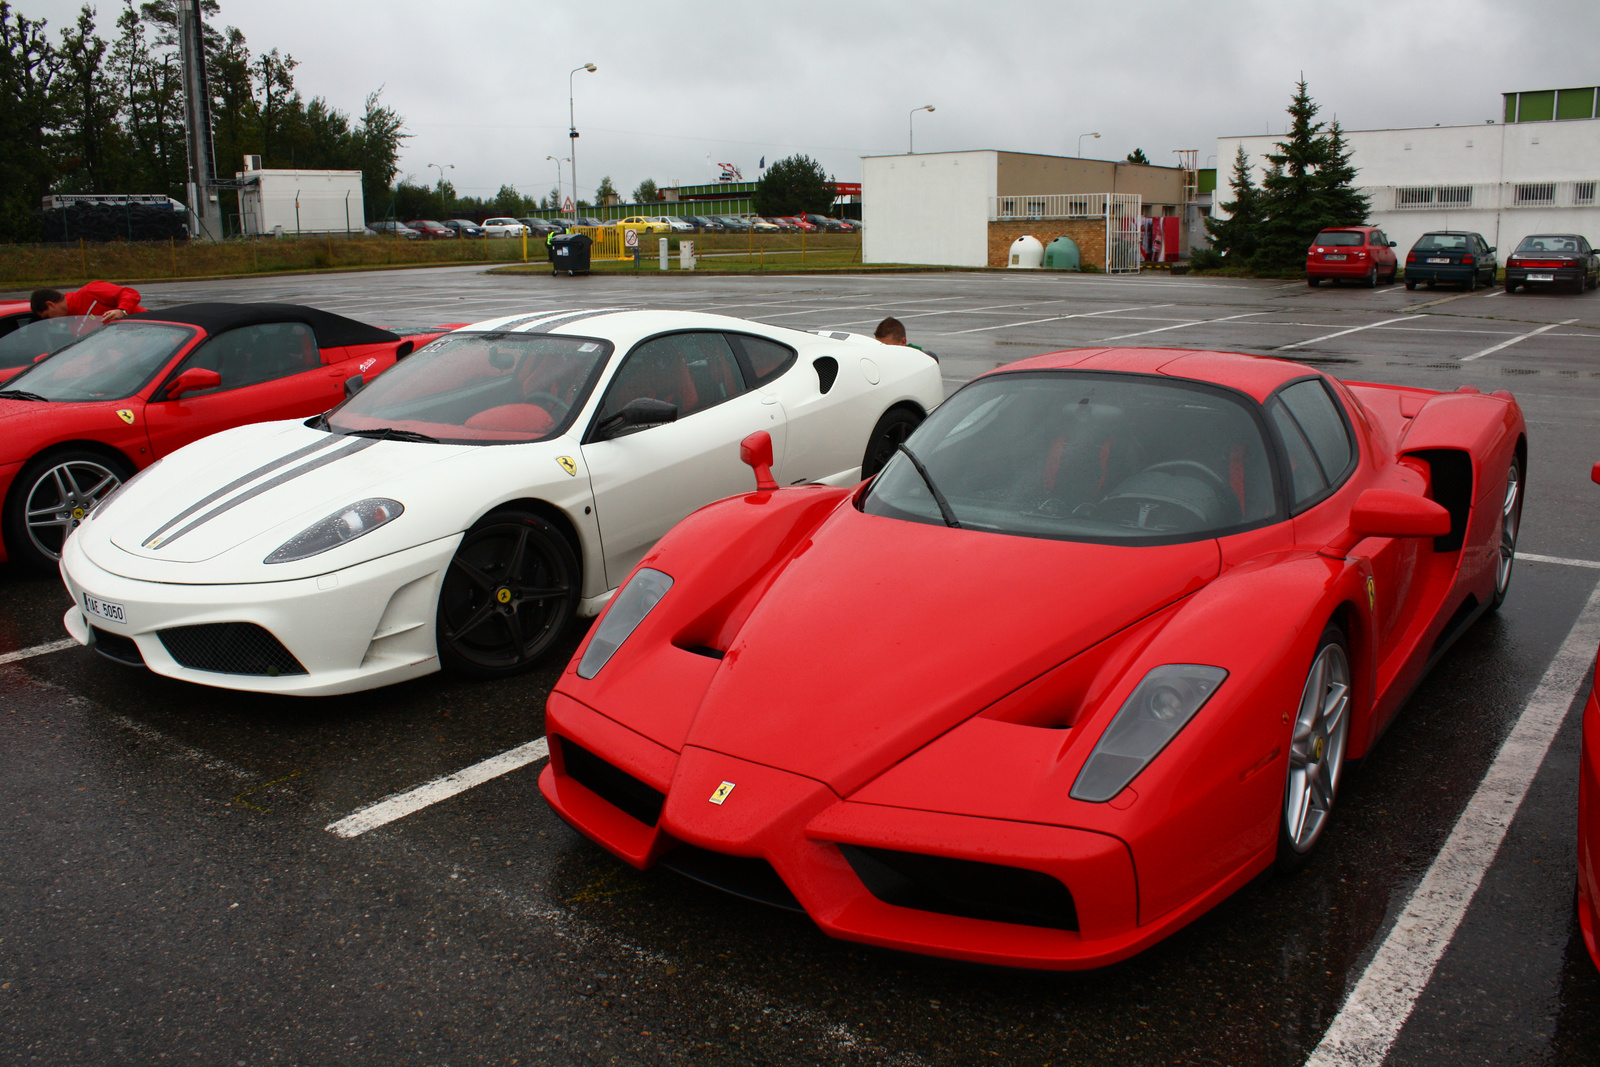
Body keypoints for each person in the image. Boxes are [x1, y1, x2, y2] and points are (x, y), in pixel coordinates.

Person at [31, 281, 145, 322]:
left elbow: (130, 293)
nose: (51, 321)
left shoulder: (89, 292)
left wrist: (122, 311)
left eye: (47, 317)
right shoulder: (72, 325)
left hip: (151, 332)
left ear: (50, 304)